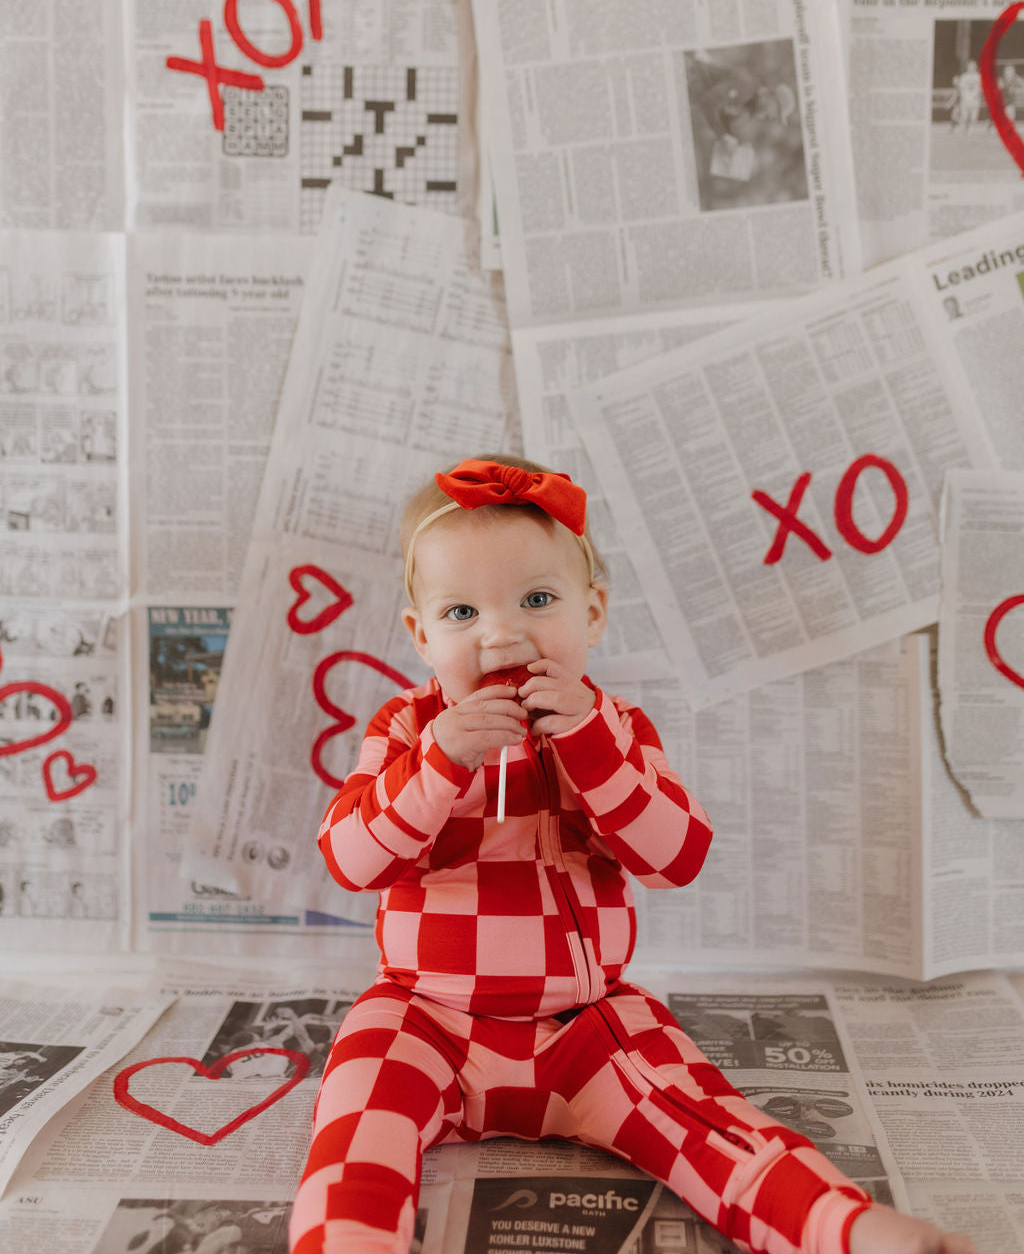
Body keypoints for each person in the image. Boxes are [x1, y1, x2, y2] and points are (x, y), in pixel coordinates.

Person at [288, 456, 977, 1254]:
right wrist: (441, 762)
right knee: (355, 1124)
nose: (502, 633)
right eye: (463, 611)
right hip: (425, 1013)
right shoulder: (405, 730)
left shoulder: (615, 727)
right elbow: (351, 859)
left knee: (707, 1120)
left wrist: (590, 747)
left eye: (538, 601)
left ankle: (848, 1229)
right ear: (420, 634)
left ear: (593, 614)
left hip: (587, 1024)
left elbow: (678, 856)